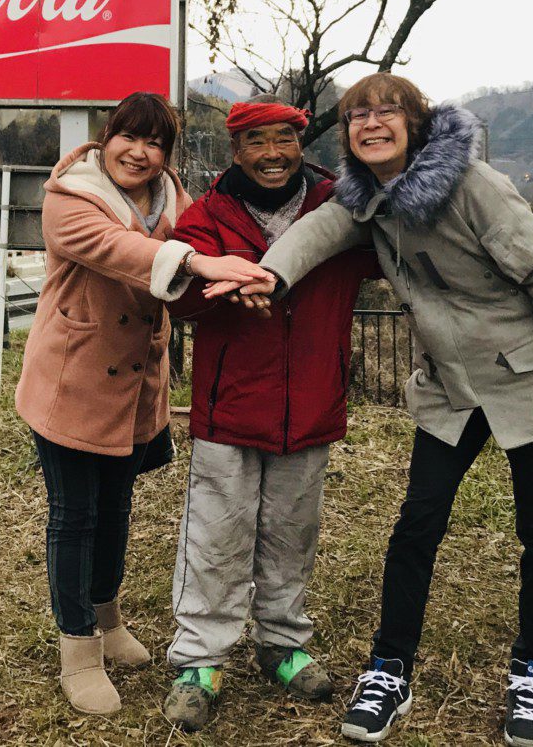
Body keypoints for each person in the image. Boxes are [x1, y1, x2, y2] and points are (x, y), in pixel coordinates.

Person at [208, 73, 533, 746]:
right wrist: (268, 275)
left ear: (416, 124)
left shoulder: (474, 186)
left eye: (387, 111)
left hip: (525, 376)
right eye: (359, 113)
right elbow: (317, 233)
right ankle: (389, 669)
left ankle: (531, 675)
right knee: (416, 524)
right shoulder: (365, 199)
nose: (371, 122)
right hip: (449, 385)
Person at [15, 92, 272, 716]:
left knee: (116, 507)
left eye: (156, 143)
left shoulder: (172, 199)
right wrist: (205, 261)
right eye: (130, 137)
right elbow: (120, 251)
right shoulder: (69, 196)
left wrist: (237, 283)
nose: (141, 152)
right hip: (72, 381)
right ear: (108, 137)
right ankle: (77, 648)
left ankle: (107, 617)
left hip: (134, 386)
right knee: (74, 516)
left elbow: (192, 268)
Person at [161, 96, 380, 731]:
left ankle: (282, 643)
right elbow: (179, 298)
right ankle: (200, 658)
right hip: (231, 405)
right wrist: (219, 289)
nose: (273, 154)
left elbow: (385, 253)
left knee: (292, 532)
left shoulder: (339, 204)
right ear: (236, 152)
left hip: (311, 400)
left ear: (301, 145)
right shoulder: (208, 215)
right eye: (257, 142)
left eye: (284, 139)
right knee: (215, 535)